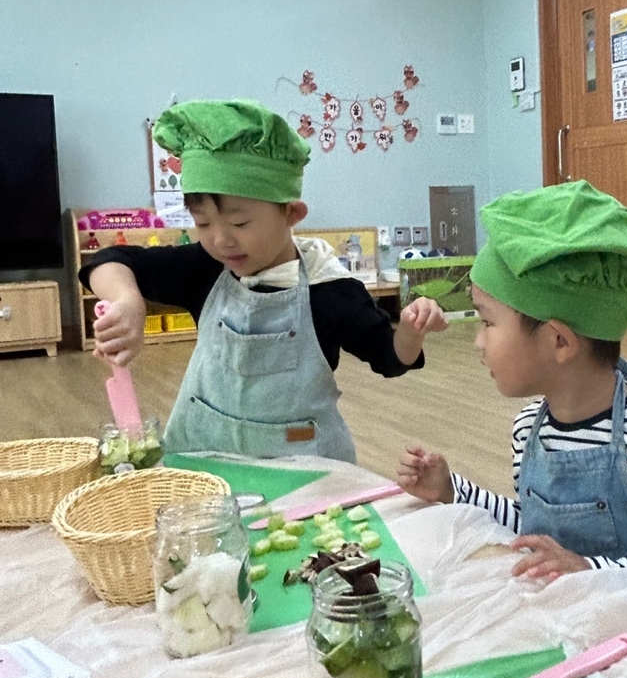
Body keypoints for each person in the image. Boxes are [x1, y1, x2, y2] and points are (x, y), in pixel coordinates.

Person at [397, 180, 627, 648]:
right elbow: (534, 531)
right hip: (583, 644)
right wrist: (453, 490)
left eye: (487, 321)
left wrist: (591, 571)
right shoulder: (530, 429)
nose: (478, 341)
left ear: (559, 341)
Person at [82, 99, 446, 462]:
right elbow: (109, 261)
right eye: (203, 223)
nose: (221, 240)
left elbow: (389, 357)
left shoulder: (328, 288)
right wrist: (128, 301)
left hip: (305, 467)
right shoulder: (207, 267)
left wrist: (410, 332)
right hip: (208, 459)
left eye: (239, 223)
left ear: (292, 213)